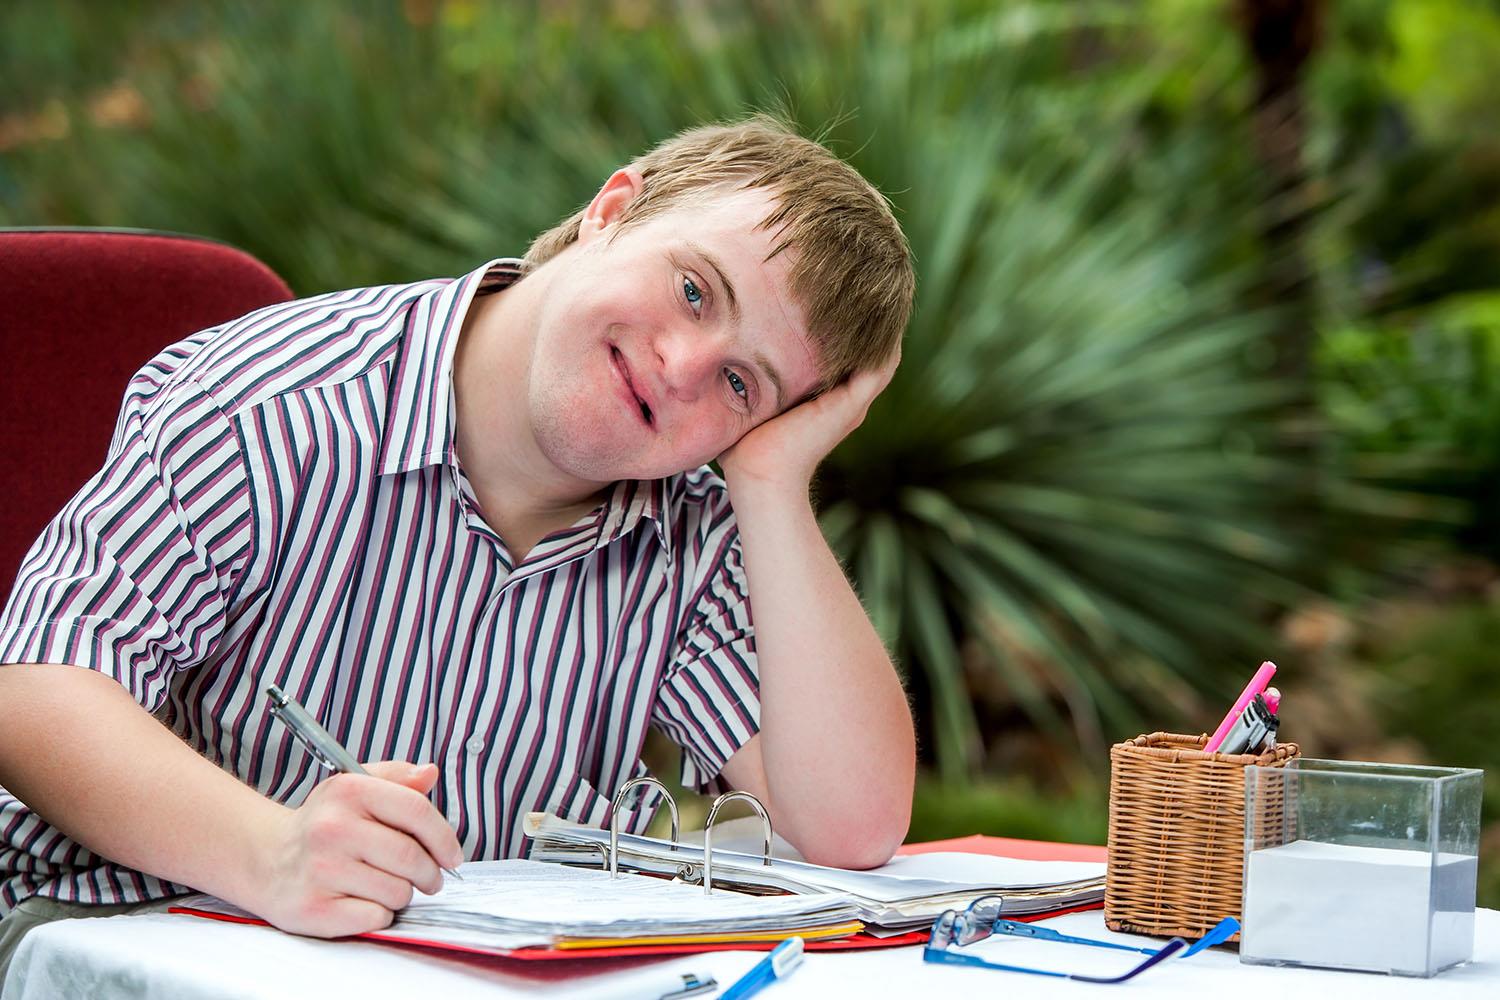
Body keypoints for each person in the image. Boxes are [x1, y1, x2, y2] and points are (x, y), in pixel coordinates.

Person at [0, 116, 916, 972]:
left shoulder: (695, 527)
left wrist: (771, 483)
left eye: (741, 386)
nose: (682, 367)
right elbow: (37, 691)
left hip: (470, 972)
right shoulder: (274, 404)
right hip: (136, 935)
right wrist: (272, 853)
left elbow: (849, 827)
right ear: (612, 211)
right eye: (691, 290)